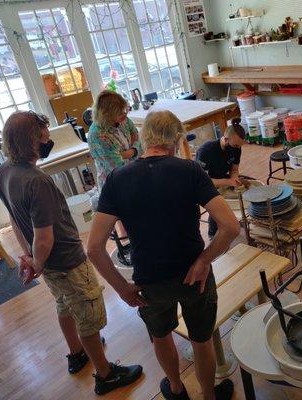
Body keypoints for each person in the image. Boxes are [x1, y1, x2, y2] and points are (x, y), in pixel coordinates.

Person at [87, 110, 240, 400]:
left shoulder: (118, 179)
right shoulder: (190, 170)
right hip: (194, 274)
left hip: (149, 281)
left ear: (144, 139)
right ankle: (209, 395)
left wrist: (122, 289)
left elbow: (94, 248)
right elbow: (230, 227)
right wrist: (204, 260)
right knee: (202, 339)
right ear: (176, 138)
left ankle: (176, 388)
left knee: (161, 335)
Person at [0, 111, 143, 396]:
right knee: (88, 313)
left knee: (65, 304)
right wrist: (36, 261)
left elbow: (15, 220)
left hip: (48, 265)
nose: (48, 142)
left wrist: (28, 257)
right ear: (31, 142)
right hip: (66, 260)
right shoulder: (37, 181)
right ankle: (106, 374)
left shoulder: (5, 171)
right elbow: (45, 235)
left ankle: (77, 353)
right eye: (44, 138)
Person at [195, 118, 248, 238]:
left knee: (246, 186)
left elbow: (234, 169)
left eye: (239, 146)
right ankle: (212, 234)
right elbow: (202, 182)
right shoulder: (206, 151)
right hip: (203, 184)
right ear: (226, 139)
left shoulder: (236, 148)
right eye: (235, 145)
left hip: (223, 177)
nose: (237, 148)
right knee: (217, 201)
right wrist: (228, 181)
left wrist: (235, 180)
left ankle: (240, 220)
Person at [87, 90, 141, 189]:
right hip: (114, 185)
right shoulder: (96, 135)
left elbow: (136, 136)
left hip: (133, 175)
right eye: (120, 112)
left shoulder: (123, 120)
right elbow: (116, 166)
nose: (125, 114)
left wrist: (129, 153)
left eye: (124, 110)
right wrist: (135, 152)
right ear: (107, 114)